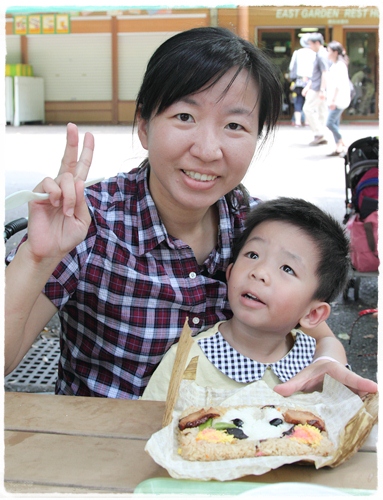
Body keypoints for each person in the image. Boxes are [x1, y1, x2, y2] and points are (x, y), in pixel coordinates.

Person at [4, 27, 378, 400]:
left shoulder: (259, 230)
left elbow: (319, 330)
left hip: (224, 447)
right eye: (185, 116)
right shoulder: (88, 222)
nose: (208, 149)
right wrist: (36, 258)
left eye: (234, 125)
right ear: (144, 127)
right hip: (103, 447)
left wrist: (330, 357)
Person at [142, 197, 352, 400]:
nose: (259, 272)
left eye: (287, 268)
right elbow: (153, 427)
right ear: (230, 271)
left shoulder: (318, 366)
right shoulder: (186, 360)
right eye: (253, 255)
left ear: (313, 313)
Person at [302, 33, 330, 146]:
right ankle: (322, 133)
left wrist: (322, 89)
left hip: (318, 88)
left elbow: (324, 73)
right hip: (319, 86)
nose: (310, 47)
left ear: (317, 43)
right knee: (322, 111)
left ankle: (319, 134)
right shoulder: (323, 54)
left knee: (308, 109)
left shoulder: (321, 55)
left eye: (311, 44)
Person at [325, 41, 351, 157]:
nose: (327, 53)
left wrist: (333, 101)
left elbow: (338, 85)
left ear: (335, 52)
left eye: (329, 51)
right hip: (336, 100)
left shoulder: (339, 66)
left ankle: (342, 141)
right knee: (335, 123)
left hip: (338, 101)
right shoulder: (337, 65)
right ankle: (338, 147)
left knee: (330, 123)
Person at [288, 34, 316, 127]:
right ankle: (307, 122)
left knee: (298, 101)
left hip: (299, 81)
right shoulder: (314, 53)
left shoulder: (297, 53)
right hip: (310, 81)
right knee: (308, 102)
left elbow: (291, 67)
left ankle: (298, 122)